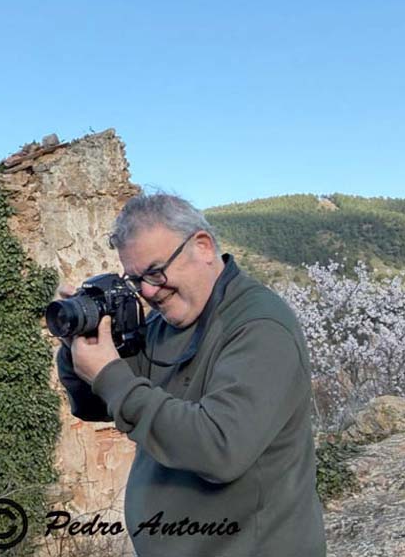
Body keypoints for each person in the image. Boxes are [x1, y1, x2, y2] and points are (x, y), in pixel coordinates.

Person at [56, 193, 326, 557]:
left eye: (155, 272)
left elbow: (220, 447)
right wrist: (78, 346)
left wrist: (110, 373)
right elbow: (97, 403)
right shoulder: (163, 323)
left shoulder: (260, 325)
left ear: (202, 246)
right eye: (136, 280)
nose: (149, 292)